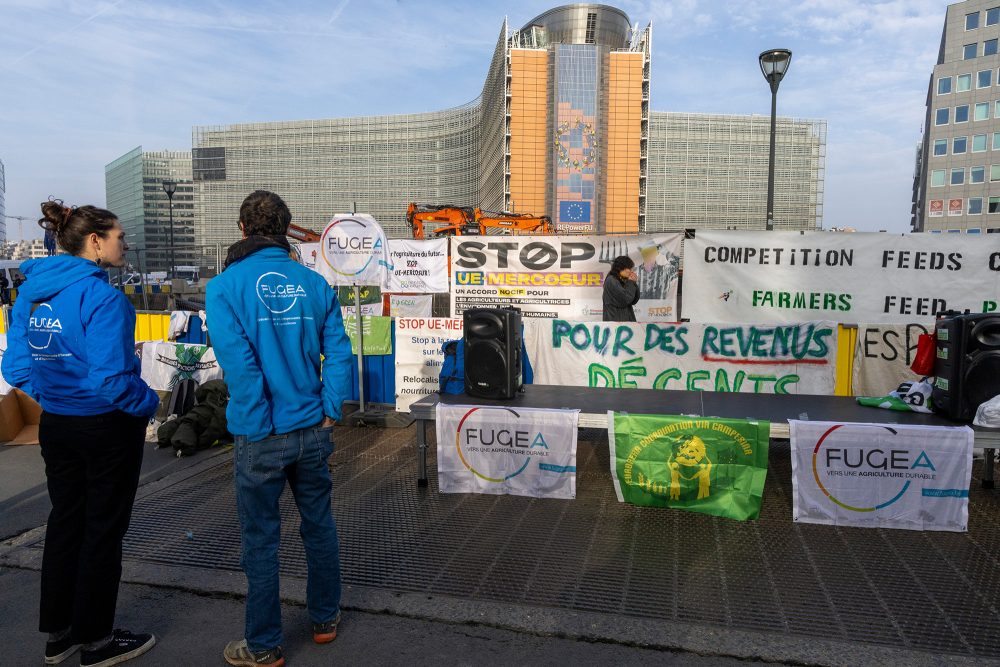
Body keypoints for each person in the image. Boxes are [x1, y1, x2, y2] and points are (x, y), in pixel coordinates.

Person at [2, 200, 159, 667]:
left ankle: (60, 635)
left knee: (66, 523)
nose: (125, 245)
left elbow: (15, 367)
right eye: (119, 236)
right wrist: (148, 404)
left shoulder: (29, 293)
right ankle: (98, 641)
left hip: (59, 425)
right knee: (102, 531)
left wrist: (54, 398)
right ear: (95, 241)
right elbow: (112, 380)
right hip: (105, 425)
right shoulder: (104, 298)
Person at [206, 190, 353, 667]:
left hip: (261, 433)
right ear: (287, 230)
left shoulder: (225, 287)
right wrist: (330, 407)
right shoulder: (314, 284)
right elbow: (340, 354)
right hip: (312, 427)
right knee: (318, 526)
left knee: (261, 541)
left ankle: (265, 646)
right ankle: (325, 620)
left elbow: (240, 367)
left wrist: (259, 421)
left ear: (242, 229)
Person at [603, 255, 640, 322]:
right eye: (629, 268)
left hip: (625, 324)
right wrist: (631, 282)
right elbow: (626, 299)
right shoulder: (611, 280)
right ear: (621, 268)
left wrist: (633, 283)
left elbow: (634, 300)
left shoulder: (623, 280)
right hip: (615, 325)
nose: (631, 271)